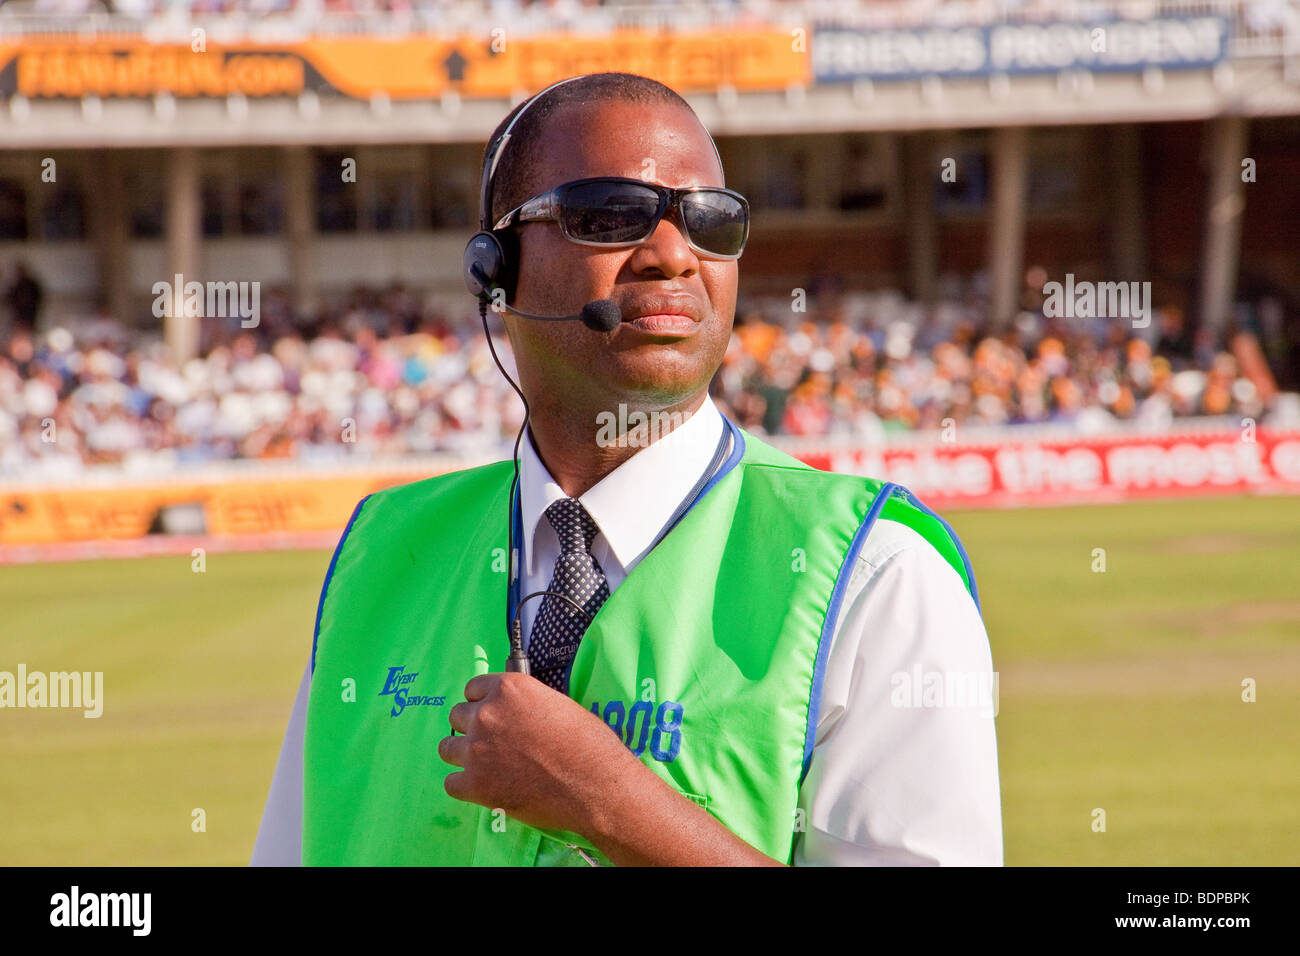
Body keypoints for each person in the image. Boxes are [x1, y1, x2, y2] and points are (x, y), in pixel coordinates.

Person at [252, 72, 1002, 867]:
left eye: (711, 221)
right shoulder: (379, 559)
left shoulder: (878, 577)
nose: (674, 255)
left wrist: (607, 802)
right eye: (611, 213)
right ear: (494, 268)